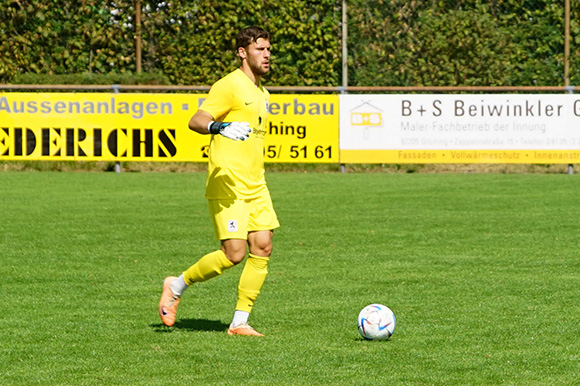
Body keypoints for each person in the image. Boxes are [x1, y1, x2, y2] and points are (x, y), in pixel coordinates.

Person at [158, 26, 279, 337]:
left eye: (268, 49)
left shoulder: (263, 93)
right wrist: (218, 126)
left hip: (256, 183)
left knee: (262, 246)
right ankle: (176, 285)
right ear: (242, 52)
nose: (266, 55)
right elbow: (195, 120)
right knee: (234, 253)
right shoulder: (229, 85)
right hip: (228, 183)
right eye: (259, 49)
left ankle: (239, 322)